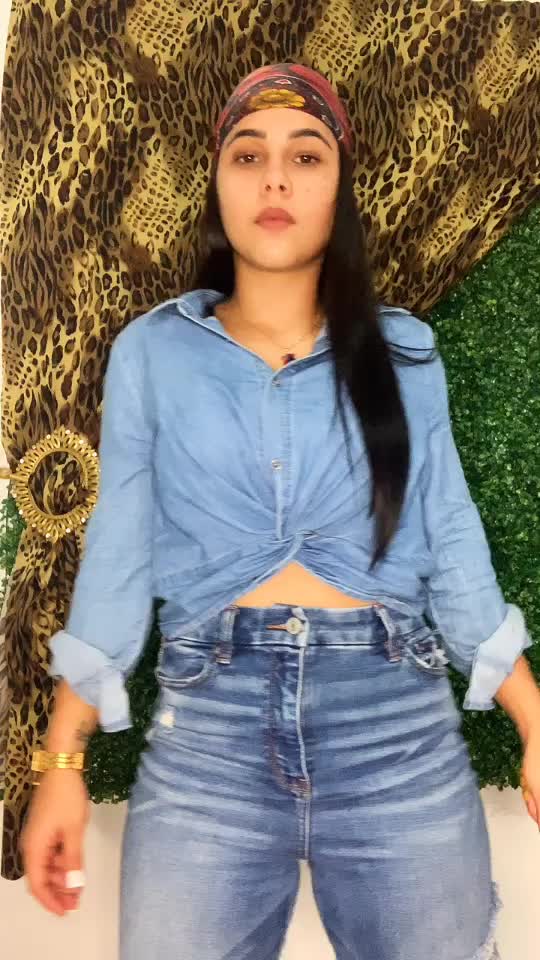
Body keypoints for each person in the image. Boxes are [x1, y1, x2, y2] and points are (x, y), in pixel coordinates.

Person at [21, 63, 534, 960]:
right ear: (218, 183)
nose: (275, 180)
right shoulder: (152, 352)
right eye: (248, 154)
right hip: (207, 735)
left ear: (340, 188)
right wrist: (63, 760)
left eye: (307, 156)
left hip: (395, 724)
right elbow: (117, 557)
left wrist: (532, 717)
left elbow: (450, 538)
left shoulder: (405, 351)